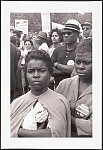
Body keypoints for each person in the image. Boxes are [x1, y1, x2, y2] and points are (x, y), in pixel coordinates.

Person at [10, 50, 71, 137]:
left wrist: (20, 131)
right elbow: (9, 131)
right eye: (30, 71)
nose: (35, 75)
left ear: (50, 74)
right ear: (26, 74)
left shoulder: (59, 102)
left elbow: (56, 133)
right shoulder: (17, 103)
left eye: (41, 71)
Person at [56, 39, 92, 137]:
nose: (81, 66)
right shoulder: (64, 84)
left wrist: (67, 116)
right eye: (78, 62)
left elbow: (92, 127)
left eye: (87, 63)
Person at [51, 19, 81, 88]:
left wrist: (57, 65)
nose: (66, 35)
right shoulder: (57, 50)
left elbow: (76, 70)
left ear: (77, 34)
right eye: (64, 33)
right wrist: (68, 70)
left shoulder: (81, 50)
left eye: (69, 33)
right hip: (58, 88)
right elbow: (50, 69)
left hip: (75, 88)